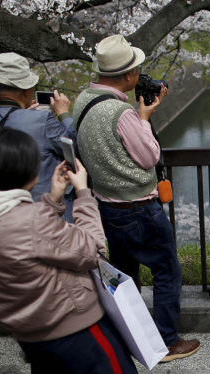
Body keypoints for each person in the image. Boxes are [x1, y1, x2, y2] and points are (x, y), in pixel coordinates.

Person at [0, 127, 137, 374]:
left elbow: (23, 243)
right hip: (76, 330)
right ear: (25, 172)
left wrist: (52, 200)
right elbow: (94, 251)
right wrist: (83, 193)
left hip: (30, 335)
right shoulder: (31, 220)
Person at [73, 34, 200, 362]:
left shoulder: (83, 100)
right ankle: (167, 342)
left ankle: (126, 337)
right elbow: (148, 157)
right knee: (167, 271)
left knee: (124, 276)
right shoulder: (123, 113)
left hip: (106, 206)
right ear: (129, 76)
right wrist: (143, 118)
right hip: (139, 209)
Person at [0, 52, 76, 222]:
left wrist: (23, 115)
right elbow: (74, 146)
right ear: (27, 90)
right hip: (46, 208)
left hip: (2, 210)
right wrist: (63, 114)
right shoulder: (41, 119)